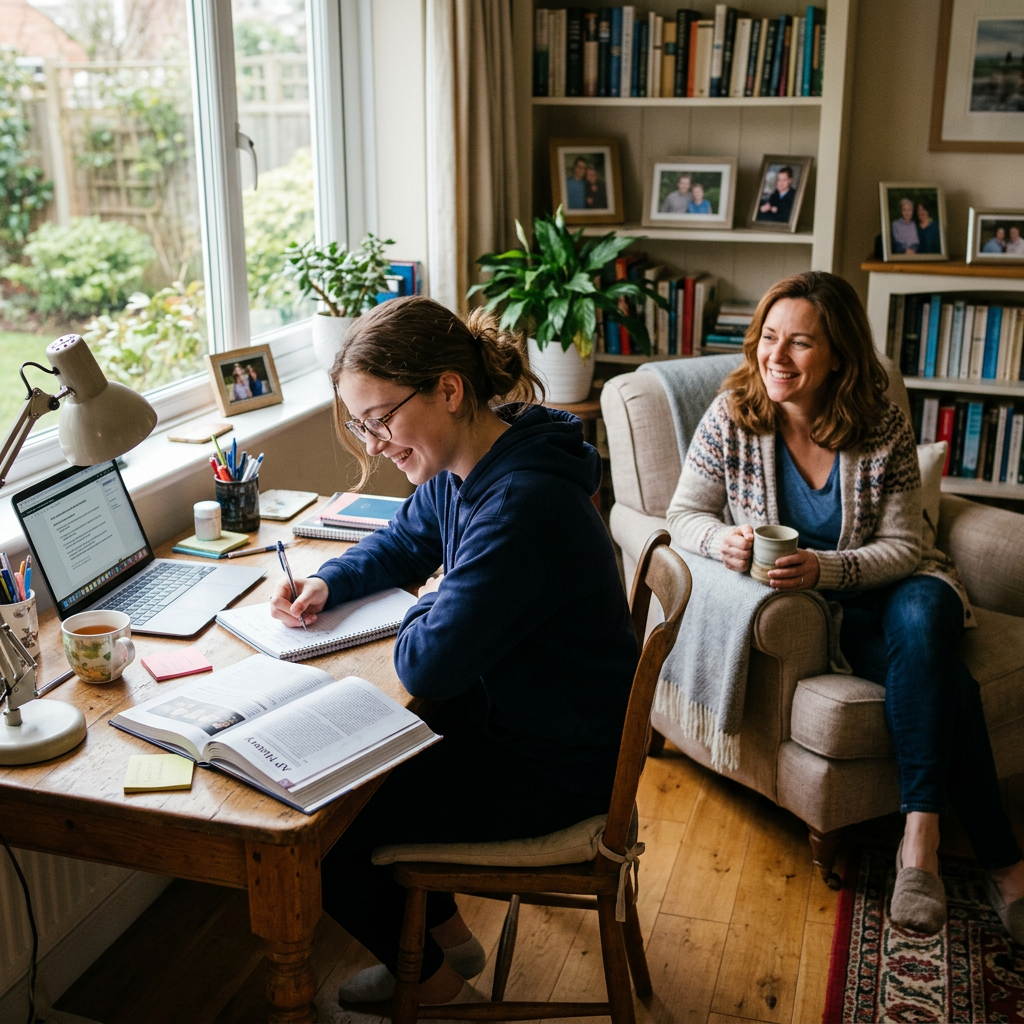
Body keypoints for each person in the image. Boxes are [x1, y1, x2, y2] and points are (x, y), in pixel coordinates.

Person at [270, 296, 638, 1006]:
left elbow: (428, 662)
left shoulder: (521, 504)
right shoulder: (468, 462)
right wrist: (326, 580)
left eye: (382, 419)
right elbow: (406, 541)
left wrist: (432, 598)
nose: (373, 442)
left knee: (330, 831)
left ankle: (438, 995)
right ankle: (451, 946)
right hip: (527, 722)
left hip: (559, 766)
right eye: (360, 423)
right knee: (374, 767)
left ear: (448, 389)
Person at [666, 270, 1024, 940]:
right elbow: (683, 513)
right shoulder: (732, 415)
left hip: (900, 585)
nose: (776, 356)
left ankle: (919, 840)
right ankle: (1006, 866)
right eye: (769, 337)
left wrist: (824, 569)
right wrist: (724, 541)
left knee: (922, 622)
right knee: (944, 682)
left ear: (838, 355)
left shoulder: (879, 423)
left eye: (799, 343)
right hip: (833, 616)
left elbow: (906, 546)